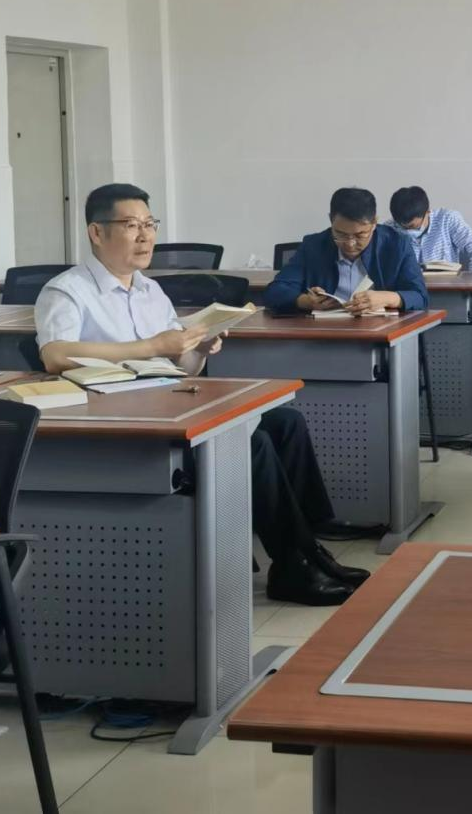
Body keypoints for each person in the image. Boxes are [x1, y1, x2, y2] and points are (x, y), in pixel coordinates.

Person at [35, 184, 366, 606]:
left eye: (150, 224)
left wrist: (200, 348)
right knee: (252, 443)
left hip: (167, 403)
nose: (145, 236)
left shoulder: (150, 291)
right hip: (122, 421)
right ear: (96, 232)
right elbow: (55, 355)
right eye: (131, 225)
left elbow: (180, 367)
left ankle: (310, 549)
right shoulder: (67, 290)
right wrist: (152, 346)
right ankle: (292, 567)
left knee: (286, 422)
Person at [264, 187, 427, 315]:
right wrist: (305, 301)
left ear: (374, 223)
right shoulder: (314, 245)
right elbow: (275, 291)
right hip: (326, 333)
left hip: (380, 333)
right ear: (331, 220)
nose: (350, 244)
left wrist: (388, 298)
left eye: (360, 235)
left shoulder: (397, 245)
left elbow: (420, 297)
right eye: (341, 234)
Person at [386, 186, 472, 271]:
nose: (408, 231)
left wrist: (470, 285)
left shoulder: (447, 219)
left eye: (413, 227)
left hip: (446, 287)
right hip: (406, 289)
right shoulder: (388, 228)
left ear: (428, 211)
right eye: (402, 227)